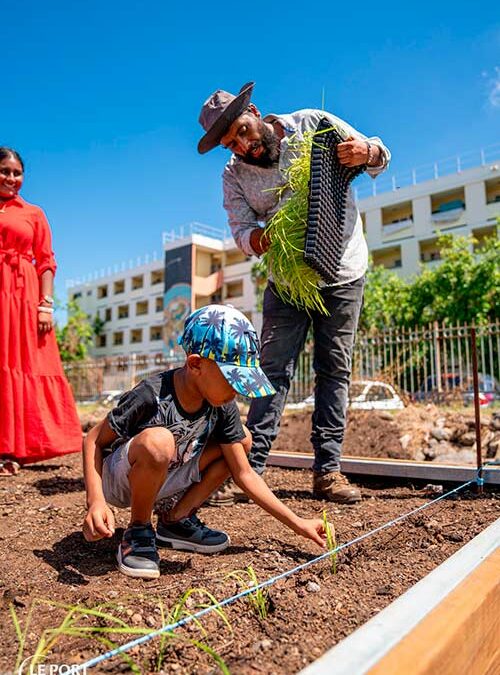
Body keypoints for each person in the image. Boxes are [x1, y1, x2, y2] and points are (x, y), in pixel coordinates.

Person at [197, 83, 391, 504]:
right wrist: (269, 238)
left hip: (343, 272)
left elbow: (378, 153)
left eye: (243, 131)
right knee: (270, 370)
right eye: (231, 143)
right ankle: (252, 469)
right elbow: (241, 231)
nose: (242, 146)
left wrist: (365, 153)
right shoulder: (233, 175)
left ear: (255, 111)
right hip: (288, 282)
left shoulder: (312, 126)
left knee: (334, 369)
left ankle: (328, 472)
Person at [82, 305, 329, 579]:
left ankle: (176, 519)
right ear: (196, 364)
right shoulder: (151, 395)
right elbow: (93, 439)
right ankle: (138, 529)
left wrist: (298, 524)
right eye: (232, 380)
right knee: (159, 441)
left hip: (166, 477)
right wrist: (96, 501)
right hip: (121, 480)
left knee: (242, 442)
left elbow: (244, 474)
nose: (237, 391)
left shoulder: (222, 405)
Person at [0, 147, 82, 476]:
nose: (11, 178)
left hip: (22, 297)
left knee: (19, 363)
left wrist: (45, 305)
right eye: (4, 171)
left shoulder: (33, 213)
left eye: (16, 172)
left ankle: (11, 448)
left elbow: (46, 261)